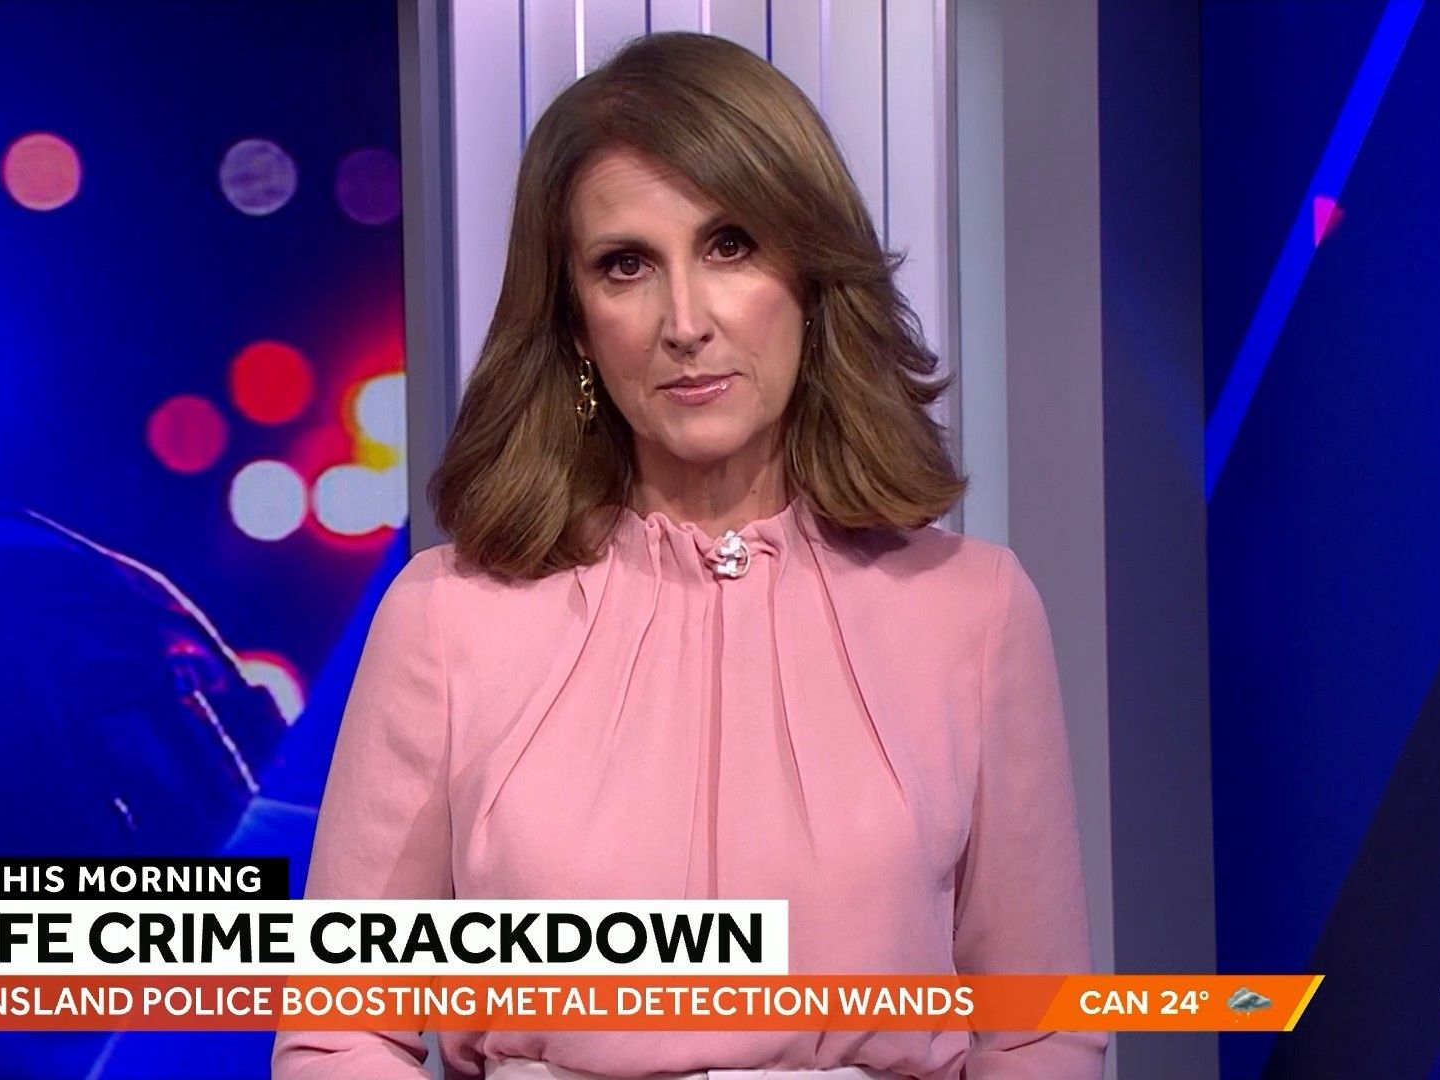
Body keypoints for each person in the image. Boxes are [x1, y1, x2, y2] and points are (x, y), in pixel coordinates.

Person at [273, 31, 1103, 1080]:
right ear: (575, 322)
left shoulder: (972, 610)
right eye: (625, 265)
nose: (684, 322)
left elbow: (1038, 1028)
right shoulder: (445, 618)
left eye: (731, 246)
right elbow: (343, 1031)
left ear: (812, 277)